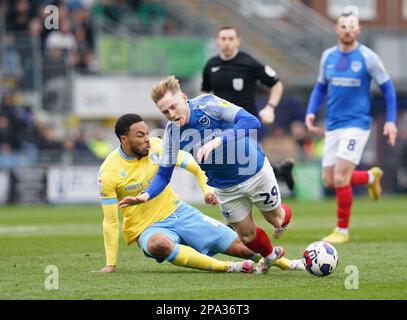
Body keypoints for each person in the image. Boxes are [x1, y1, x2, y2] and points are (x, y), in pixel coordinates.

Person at [119, 76, 296, 274]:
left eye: (173, 107)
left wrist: (219, 140)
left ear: (184, 98)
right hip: (224, 187)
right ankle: (270, 256)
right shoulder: (172, 133)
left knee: (276, 220)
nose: (171, 114)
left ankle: (283, 217)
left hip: (254, 171)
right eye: (165, 112)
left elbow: (251, 121)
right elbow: (163, 175)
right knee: (246, 236)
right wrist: (145, 196)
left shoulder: (209, 104)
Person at [98, 113, 279, 274]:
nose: (147, 138)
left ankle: (290, 264)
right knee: (159, 245)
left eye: (147, 133)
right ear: (124, 139)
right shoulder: (109, 172)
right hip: (146, 228)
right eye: (140, 135)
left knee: (244, 246)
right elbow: (111, 220)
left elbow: (194, 165)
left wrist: (207, 190)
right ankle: (228, 267)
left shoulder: (158, 146)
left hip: (178, 212)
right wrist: (111, 263)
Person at [305, 12, 398, 244]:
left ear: (358, 30)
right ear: (337, 29)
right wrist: (310, 111)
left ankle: (342, 230)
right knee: (328, 179)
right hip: (333, 125)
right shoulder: (328, 56)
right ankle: (369, 177)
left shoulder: (368, 57)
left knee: (340, 176)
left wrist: (391, 121)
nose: (347, 30)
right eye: (343, 26)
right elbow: (320, 87)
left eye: (352, 26)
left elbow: (388, 89)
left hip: (357, 124)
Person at [201, 26, 294, 191]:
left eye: (231, 39)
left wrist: (270, 108)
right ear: (218, 41)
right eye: (223, 39)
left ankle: (269, 190)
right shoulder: (211, 65)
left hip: (245, 123)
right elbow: (205, 93)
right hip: (221, 123)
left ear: (238, 41)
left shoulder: (248, 63)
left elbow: (276, 84)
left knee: (249, 164)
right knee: (239, 163)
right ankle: (279, 171)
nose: (227, 43)